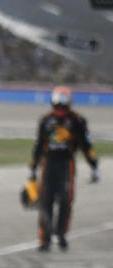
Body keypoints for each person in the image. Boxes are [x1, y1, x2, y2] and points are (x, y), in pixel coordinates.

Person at [29, 85, 99, 251]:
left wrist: (93, 165)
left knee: (65, 201)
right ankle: (44, 239)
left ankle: (61, 234)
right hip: (49, 165)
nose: (60, 107)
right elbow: (38, 145)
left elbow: (86, 145)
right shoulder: (45, 120)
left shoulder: (77, 120)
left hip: (67, 165)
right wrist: (33, 167)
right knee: (46, 202)